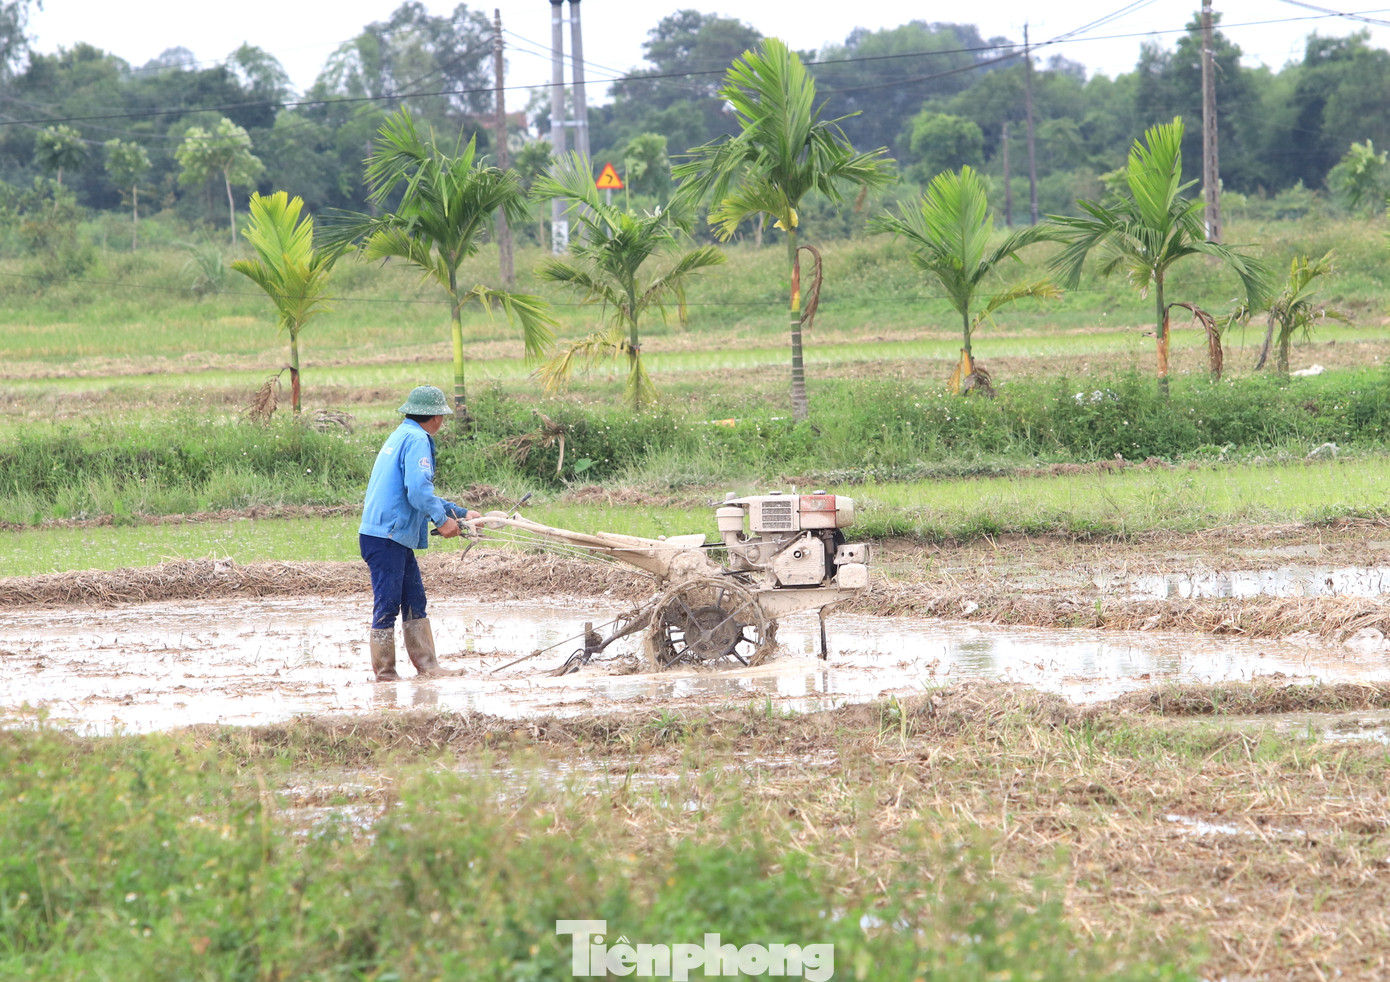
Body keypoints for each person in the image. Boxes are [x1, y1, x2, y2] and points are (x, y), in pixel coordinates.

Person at [359, 385, 480, 681]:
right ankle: (385, 675)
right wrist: (442, 521)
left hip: (391, 535)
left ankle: (427, 667)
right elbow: (418, 491)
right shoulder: (417, 439)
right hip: (386, 537)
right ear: (436, 417)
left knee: (414, 599)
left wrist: (461, 514)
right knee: (387, 605)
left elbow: (417, 490)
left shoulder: (401, 434)